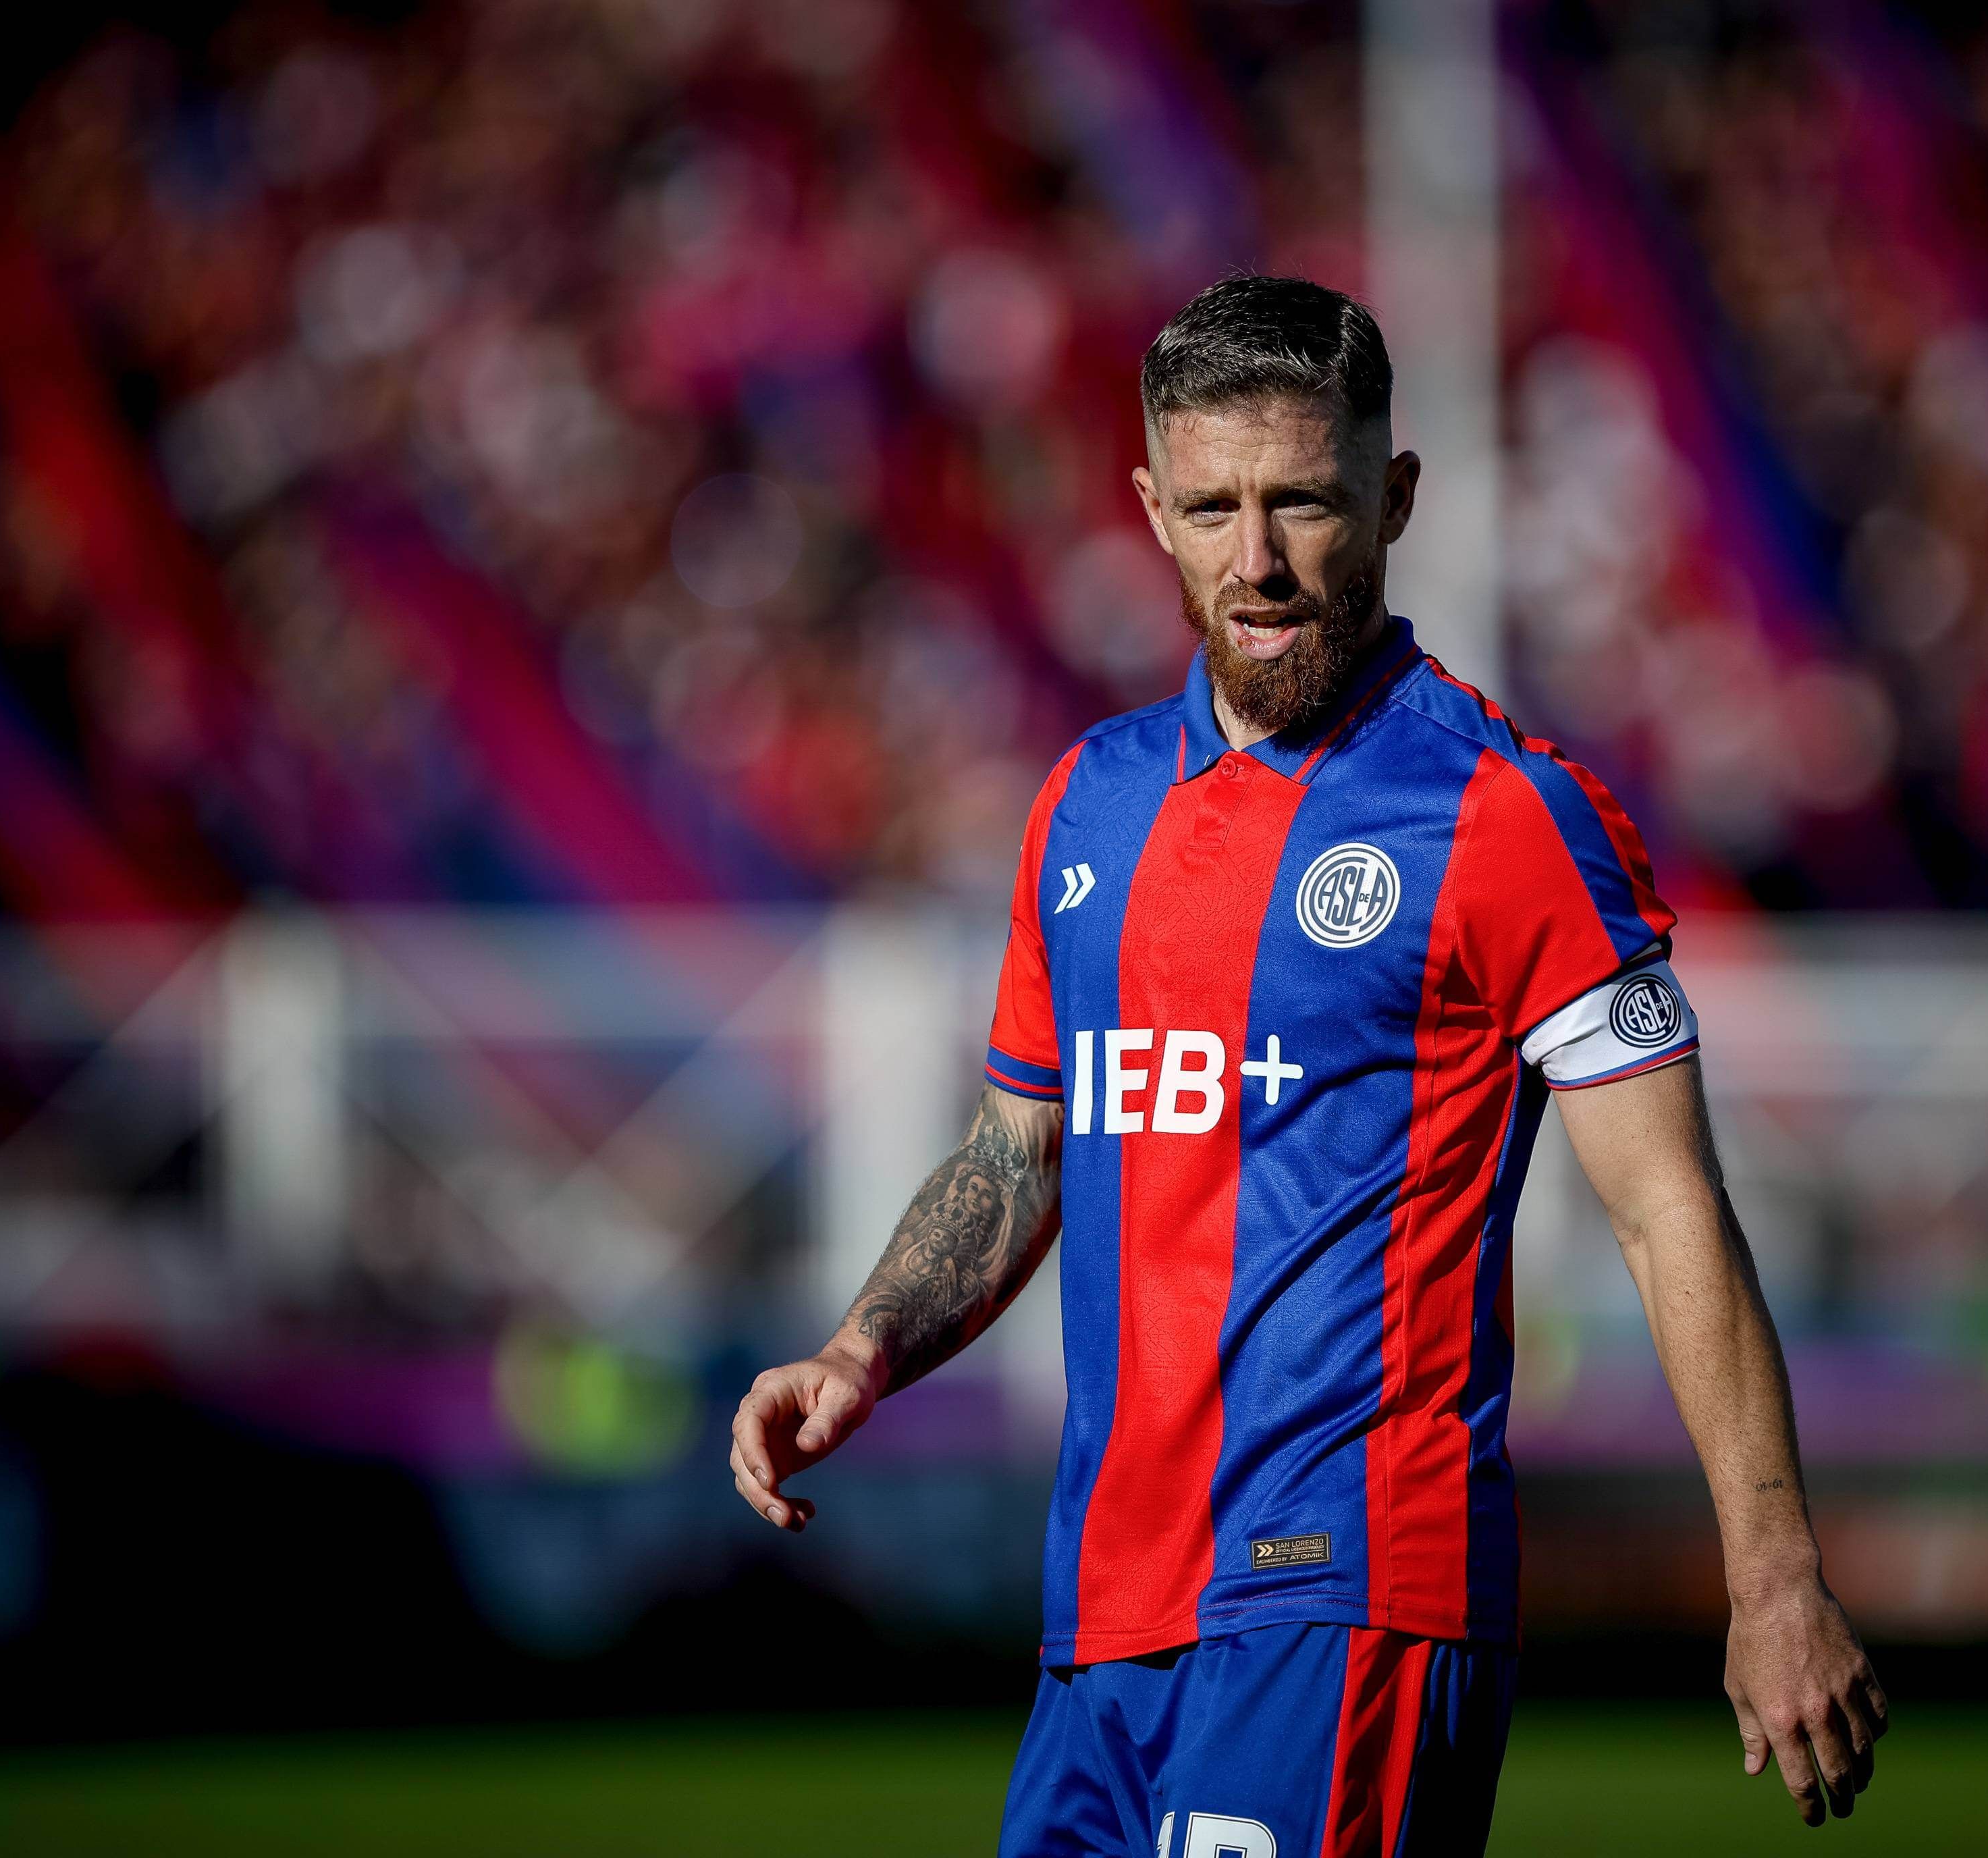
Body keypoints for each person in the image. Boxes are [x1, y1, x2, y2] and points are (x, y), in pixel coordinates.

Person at [730, 273, 1885, 1854]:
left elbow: (1669, 1206)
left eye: (1303, 503)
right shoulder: (1089, 805)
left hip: (1352, 1592)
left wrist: (1773, 1579)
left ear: (1393, 495)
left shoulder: (1507, 816)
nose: (1257, 560)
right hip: (1105, 1622)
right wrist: (860, 1347)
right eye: (1213, 508)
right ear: (1150, 508)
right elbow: (1022, 1153)